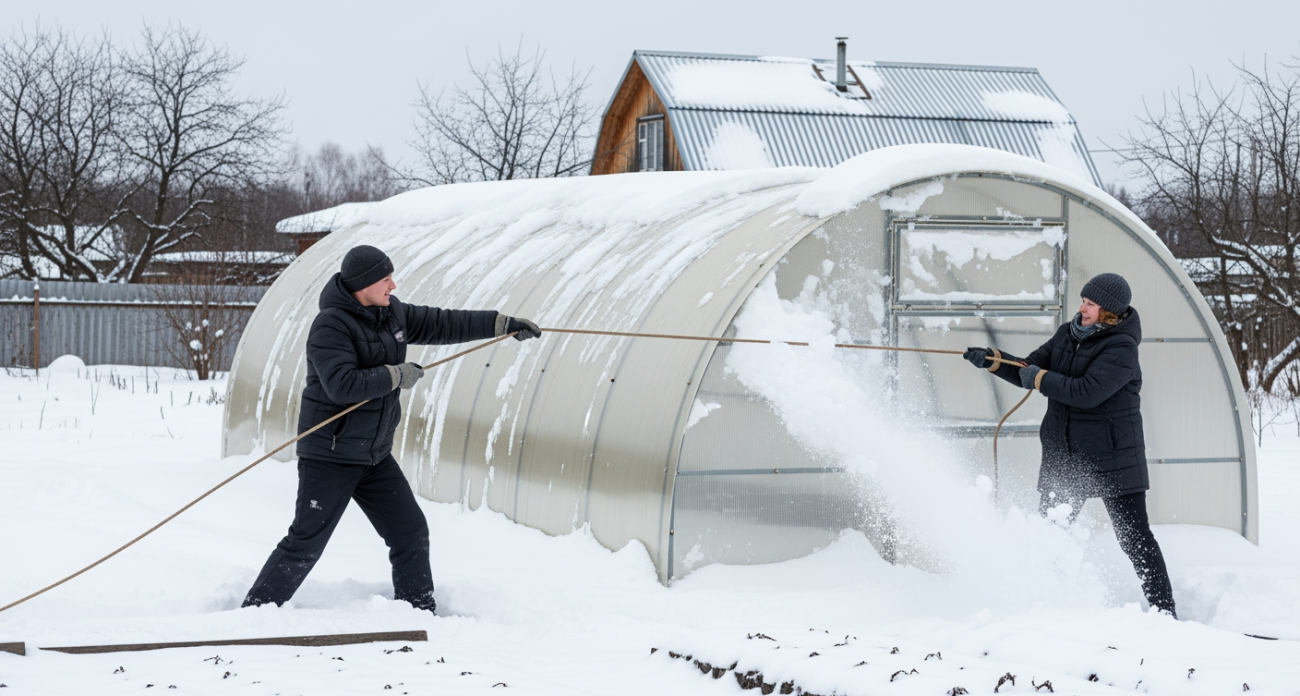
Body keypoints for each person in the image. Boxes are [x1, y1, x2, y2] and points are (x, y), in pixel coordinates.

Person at [242, 245, 541, 614]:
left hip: (374, 455)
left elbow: (443, 323)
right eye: (386, 279)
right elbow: (341, 385)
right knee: (306, 543)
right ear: (364, 284)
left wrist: (502, 324)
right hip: (330, 455)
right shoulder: (330, 325)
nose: (393, 285)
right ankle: (253, 615)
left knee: (410, 533)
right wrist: (396, 375)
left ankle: (418, 611)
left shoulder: (391, 313)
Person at [963, 273, 1176, 617]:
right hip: (1064, 454)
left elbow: (1086, 392)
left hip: (1114, 457)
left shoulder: (1121, 347)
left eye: (1091, 304)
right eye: (1083, 301)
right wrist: (994, 361)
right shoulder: (1067, 334)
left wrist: (1040, 378)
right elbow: (1028, 369)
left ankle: (1164, 612)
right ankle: (1044, 607)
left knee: (1134, 539)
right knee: (1049, 536)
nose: (1082, 308)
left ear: (1109, 311)